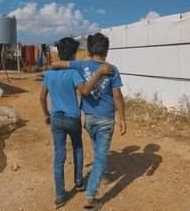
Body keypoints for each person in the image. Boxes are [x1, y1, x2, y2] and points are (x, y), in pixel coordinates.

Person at [52, 33, 127, 211]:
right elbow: (117, 95)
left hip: (89, 118)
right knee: (100, 155)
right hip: (105, 119)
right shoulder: (111, 69)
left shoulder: (81, 64)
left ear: (88, 50)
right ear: (106, 51)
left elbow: (55, 64)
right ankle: (90, 198)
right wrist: (122, 118)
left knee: (97, 149)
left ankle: (106, 176)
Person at [40, 37, 113, 209]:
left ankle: (59, 196)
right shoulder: (73, 73)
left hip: (56, 119)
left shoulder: (49, 74)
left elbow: (42, 96)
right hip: (72, 118)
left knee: (59, 156)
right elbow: (86, 91)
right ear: (73, 54)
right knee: (78, 148)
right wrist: (99, 73)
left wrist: (46, 114)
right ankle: (79, 182)